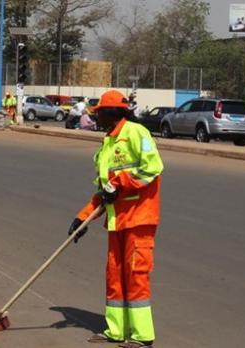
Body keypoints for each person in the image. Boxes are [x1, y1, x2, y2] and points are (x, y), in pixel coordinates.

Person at [68, 90, 164, 348]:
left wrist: (119, 184)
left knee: (136, 275)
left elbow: (152, 168)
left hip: (139, 219)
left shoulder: (136, 133)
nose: (95, 118)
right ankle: (116, 330)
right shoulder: (107, 144)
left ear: (111, 112)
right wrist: (82, 219)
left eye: (98, 113)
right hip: (116, 221)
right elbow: (104, 190)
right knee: (114, 275)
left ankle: (142, 336)